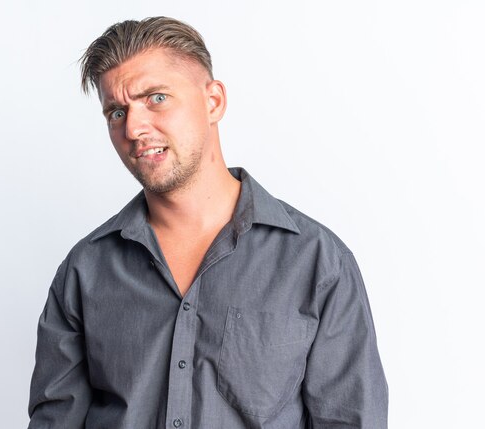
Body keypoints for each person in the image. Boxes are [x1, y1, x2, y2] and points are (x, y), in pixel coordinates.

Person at [27, 16, 388, 429]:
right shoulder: (85, 271)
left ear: (213, 101)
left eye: (156, 98)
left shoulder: (318, 263)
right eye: (116, 111)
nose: (134, 127)